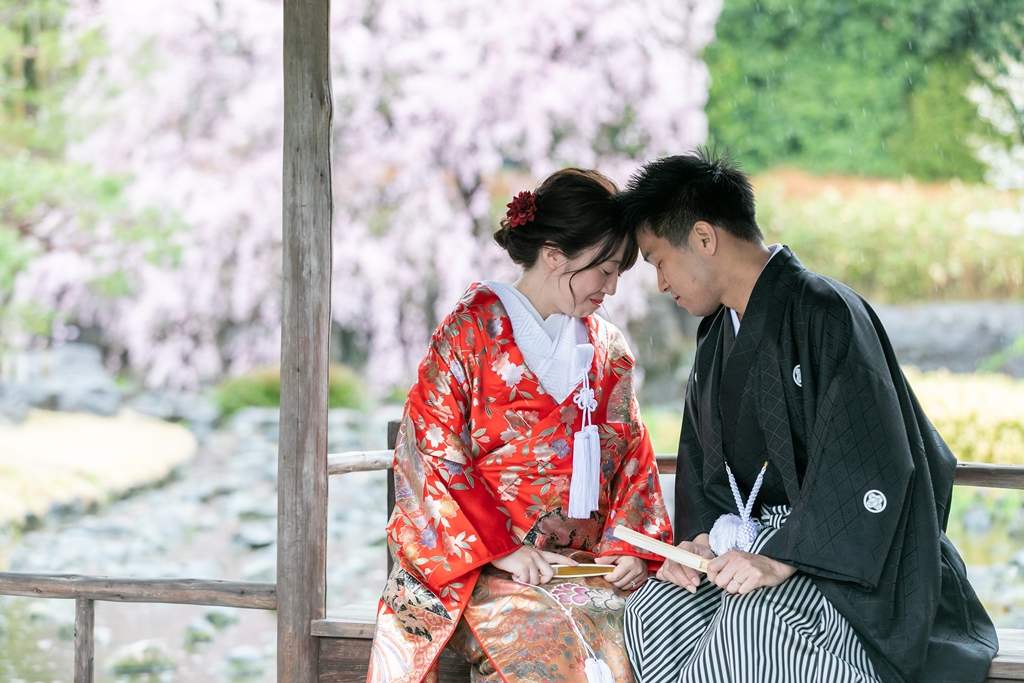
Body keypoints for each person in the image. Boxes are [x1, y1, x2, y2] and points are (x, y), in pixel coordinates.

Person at [617, 149, 998, 683]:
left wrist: (783, 557)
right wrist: (701, 542)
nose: (660, 283)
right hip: (750, 547)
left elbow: (873, 464)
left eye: (658, 260)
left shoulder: (825, 311)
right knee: (654, 611)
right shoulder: (713, 338)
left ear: (704, 238)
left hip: (845, 562)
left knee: (753, 627)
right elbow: (708, 474)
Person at [366, 168, 673, 683]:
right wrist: (504, 551)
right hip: (484, 566)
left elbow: (632, 461)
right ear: (554, 254)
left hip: (585, 565)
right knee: (546, 643)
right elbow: (432, 449)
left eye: (620, 272)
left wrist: (631, 551)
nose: (613, 288)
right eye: (605, 270)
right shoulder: (471, 330)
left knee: (650, 633)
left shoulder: (608, 350)